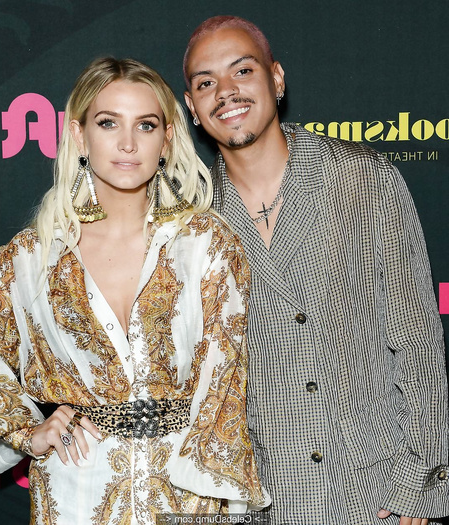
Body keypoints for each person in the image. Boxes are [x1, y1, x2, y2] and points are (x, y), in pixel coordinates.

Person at [0, 56, 270, 524]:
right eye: (109, 123)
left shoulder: (205, 245)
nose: (128, 143)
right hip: (74, 496)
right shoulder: (30, 259)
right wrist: (26, 432)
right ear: (79, 136)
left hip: (186, 498)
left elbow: (225, 387)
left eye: (146, 125)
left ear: (166, 139)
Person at [183, 15, 449, 525]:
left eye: (242, 70)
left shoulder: (362, 180)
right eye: (206, 82)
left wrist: (418, 485)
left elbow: (417, 341)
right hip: (267, 501)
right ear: (193, 108)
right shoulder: (193, 223)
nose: (226, 91)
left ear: (277, 78)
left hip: (377, 495)